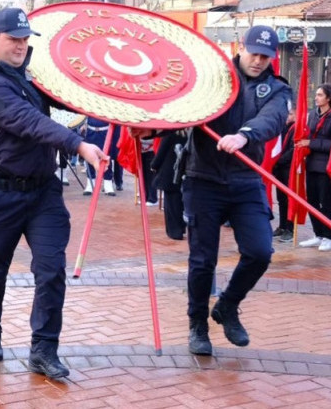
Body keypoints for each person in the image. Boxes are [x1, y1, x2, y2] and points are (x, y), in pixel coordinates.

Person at [136, 26, 290, 356]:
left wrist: (245, 135)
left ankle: (228, 305)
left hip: (246, 181)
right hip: (203, 180)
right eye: (255, 54)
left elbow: (273, 119)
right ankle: (198, 325)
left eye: (266, 57)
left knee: (260, 252)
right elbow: (183, 110)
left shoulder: (276, 89)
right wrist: (151, 126)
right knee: (202, 260)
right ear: (242, 49)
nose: (260, 61)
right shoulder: (214, 78)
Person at [0, 7, 106, 379]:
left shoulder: (31, 75)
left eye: (24, 38)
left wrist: (110, 101)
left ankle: (44, 349)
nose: (20, 45)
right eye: (13, 39)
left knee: (50, 270)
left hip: (43, 193)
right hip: (1, 194)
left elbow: (66, 98)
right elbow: (31, 122)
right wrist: (79, 146)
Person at [297, 84, 331, 251]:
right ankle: (318, 234)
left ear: (328, 98)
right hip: (311, 164)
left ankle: (328, 236)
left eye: (320, 95)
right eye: (316, 94)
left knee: (326, 202)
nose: (316, 97)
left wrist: (312, 143)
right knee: (312, 201)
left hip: (327, 166)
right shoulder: (312, 115)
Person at [271, 106, 296, 242]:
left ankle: (290, 229)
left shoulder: (296, 128)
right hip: (280, 167)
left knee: (289, 198)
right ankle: (282, 225)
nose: (288, 116)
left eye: (291, 114)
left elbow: (293, 150)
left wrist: (278, 160)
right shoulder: (283, 127)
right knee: (281, 199)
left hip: (289, 168)